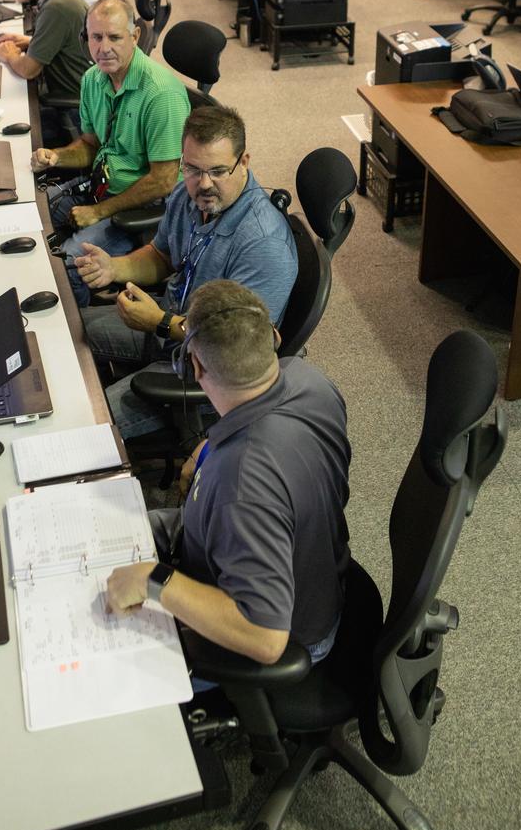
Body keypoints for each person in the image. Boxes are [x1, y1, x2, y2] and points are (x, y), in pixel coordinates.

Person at [105, 278, 350, 669]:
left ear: (195, 365)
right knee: (104, 529)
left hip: (283, 635)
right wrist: (212, 442)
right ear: (273, 337)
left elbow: (266, 638)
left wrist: (156, 581)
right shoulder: (311, 380)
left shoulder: (242, 482)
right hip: (311, 574)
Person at [75, 104, 298, 439]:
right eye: (192, 169)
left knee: (87, 427)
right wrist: (115, 267)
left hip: (210, 372)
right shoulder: (187, 194)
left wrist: (160, 323)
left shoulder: (263, 242)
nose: (203, 184)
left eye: (218, 171)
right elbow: (162, 255)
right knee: (62, 331)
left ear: (245, 163)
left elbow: (239, 346)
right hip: (170, 323)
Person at [31, 0, 190, 267]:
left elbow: (163, 182)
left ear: (135, 36)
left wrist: (98, 212)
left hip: (142, 205)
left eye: (114, 37)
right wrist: (56, 157)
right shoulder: (93, 79)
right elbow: (90, 144)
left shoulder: (161, 95)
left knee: (65, 264)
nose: (103, 48)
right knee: (29, 215)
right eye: (96, 37)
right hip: (100, 186)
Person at [0, 0, 89, 146]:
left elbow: (28, 70)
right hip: (77, 97)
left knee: (0, 127)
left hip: (74, 112)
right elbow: (63, 43)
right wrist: (30, 41)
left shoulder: (56, 8)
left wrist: (11, 55)